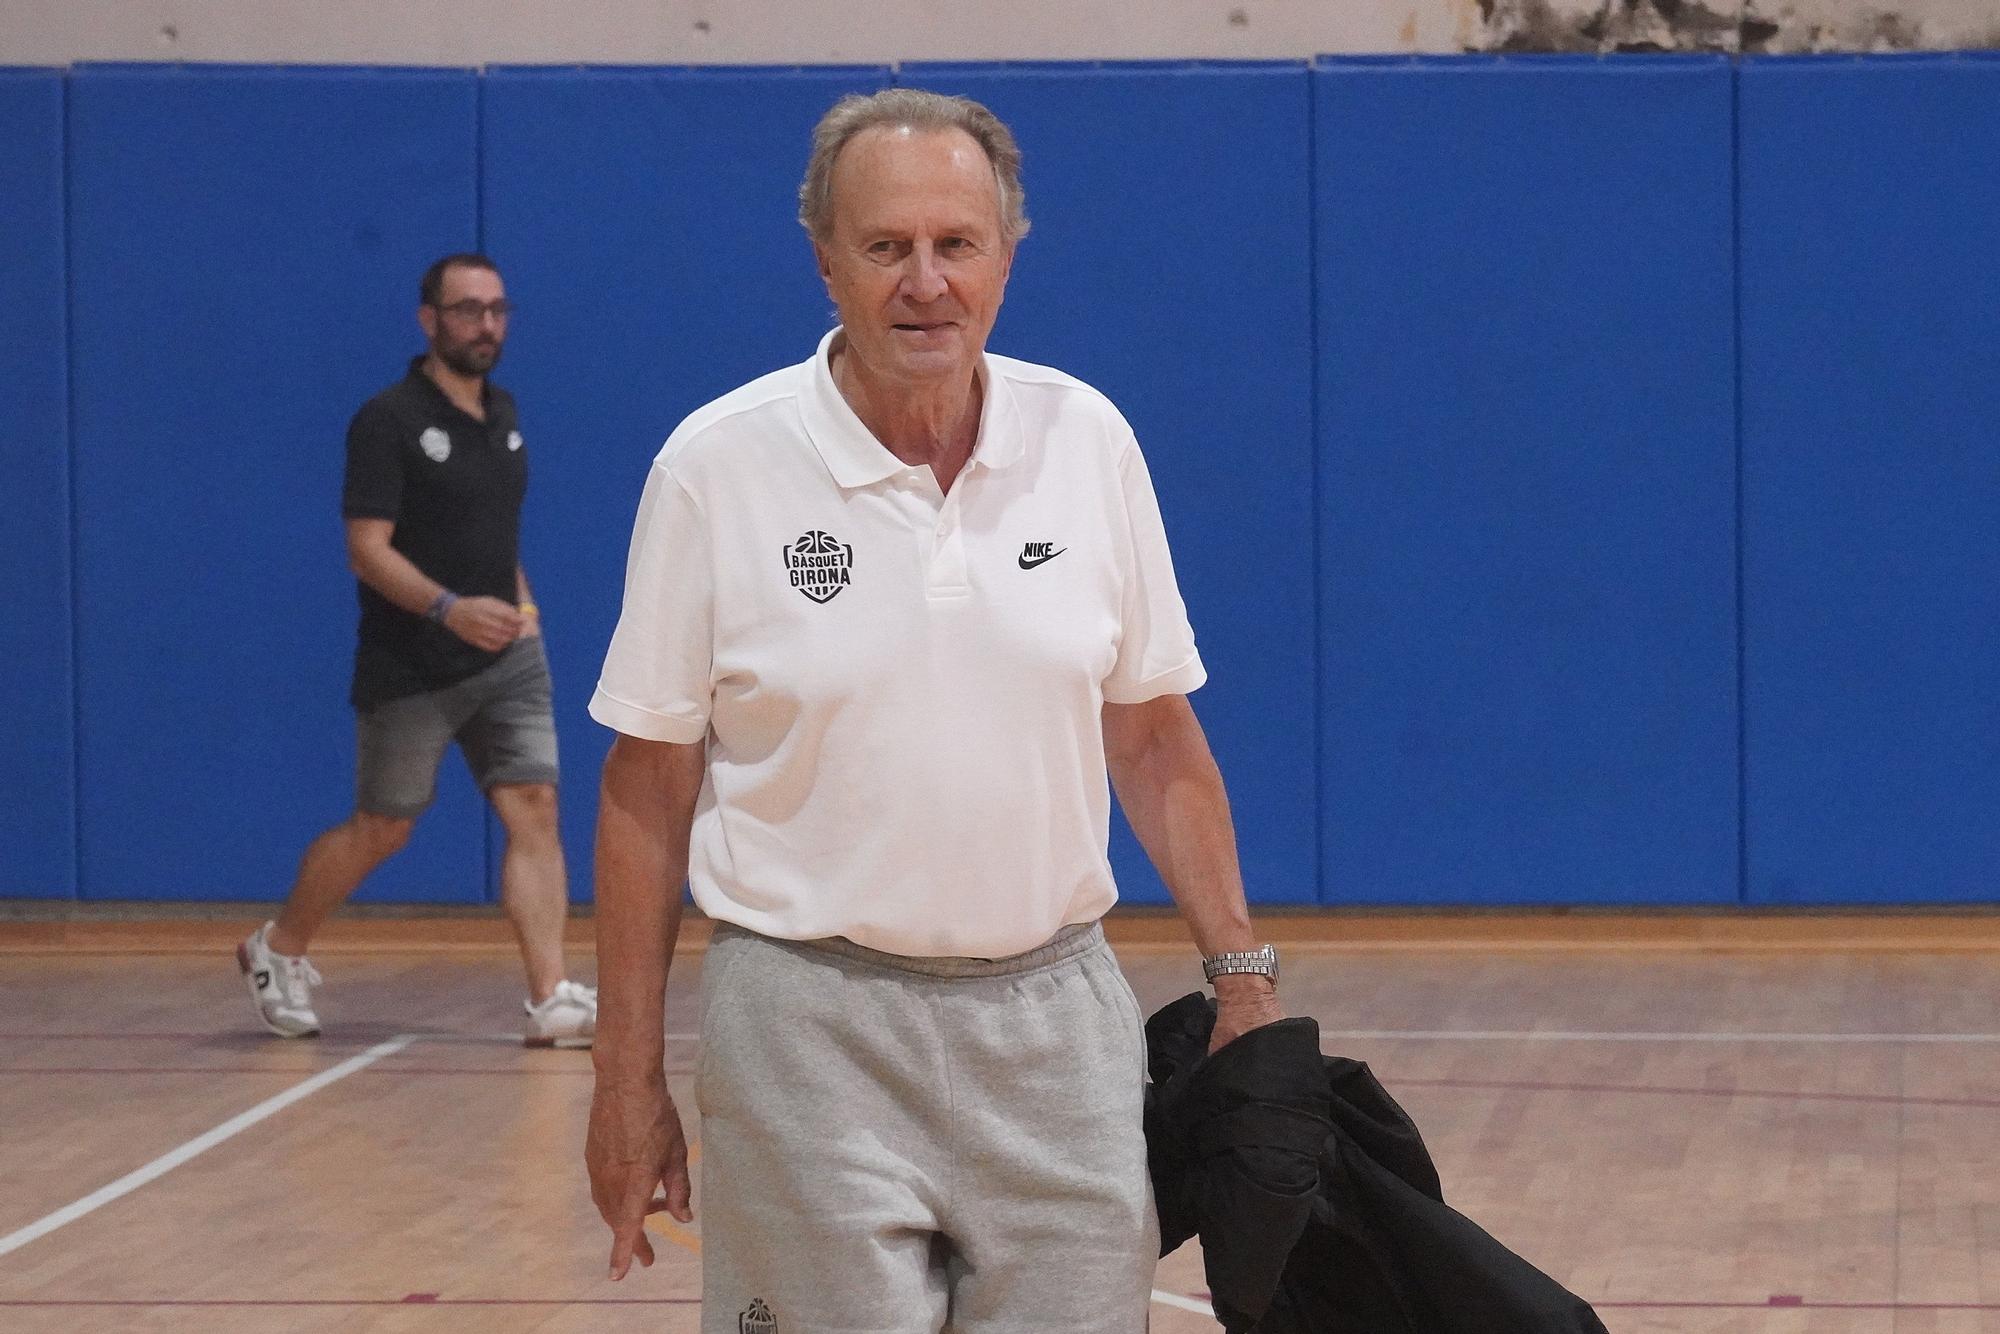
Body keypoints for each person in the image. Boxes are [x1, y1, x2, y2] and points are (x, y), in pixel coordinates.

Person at [584, 90, 1281, 1332]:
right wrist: (623, 1077)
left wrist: (1242, 981)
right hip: (806, 1028)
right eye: (885, 246)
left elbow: (1153, 733)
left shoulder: (1087, 439)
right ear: (823, 260)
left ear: (1005, 257)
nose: (925, 283)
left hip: (1058, 1030)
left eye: (956, 244)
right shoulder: (715, 466)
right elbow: (647, 788)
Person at [236, 253, 595, 1048]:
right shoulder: (388, 419)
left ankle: (551, 998)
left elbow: (494, 535)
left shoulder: (503, 415)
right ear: (428, 319)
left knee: (534, 807)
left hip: (508, 656)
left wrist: (520, 601)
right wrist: (447, 609)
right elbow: (366, 548)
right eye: (468, 310)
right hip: (412, 662)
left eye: (498, 309)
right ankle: (278, 946)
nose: (486, 325)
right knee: (385, 826)